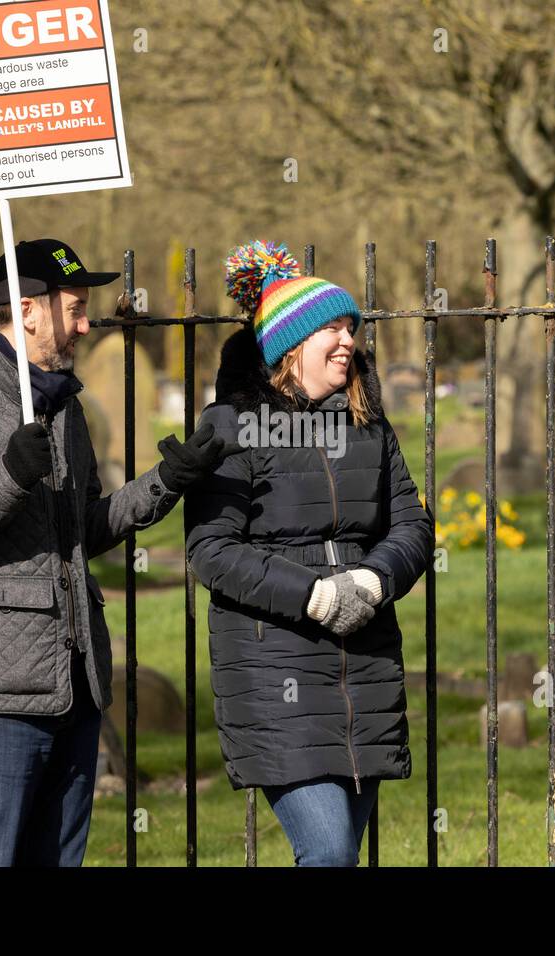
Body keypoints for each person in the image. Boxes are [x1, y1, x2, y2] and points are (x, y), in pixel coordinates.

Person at [0, 238, 235, 866]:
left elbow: (83, 530)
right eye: (75, 309)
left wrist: (167, 483)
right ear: (27, 311)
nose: (86, 324)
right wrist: (8, 478)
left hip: (76, 687)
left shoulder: (62, 407)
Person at [183, 240, 431, 866]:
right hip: (276, 671)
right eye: (331, 328)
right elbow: (211, 550)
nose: (348, 340)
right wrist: (315, 594)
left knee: (339, 856)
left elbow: (412, 525)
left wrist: (373, 582)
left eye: (352, 327)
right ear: (289, 346)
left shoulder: (369, 426)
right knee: (326, 854)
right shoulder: (232, 427)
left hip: (364, 667)